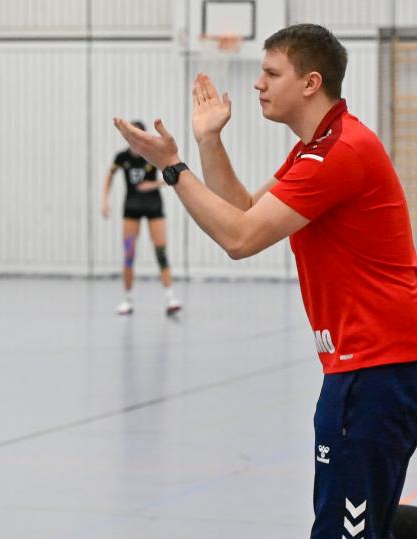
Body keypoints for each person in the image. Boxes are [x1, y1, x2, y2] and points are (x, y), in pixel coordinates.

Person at [114, 24, 417, 539]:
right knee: (374, 521)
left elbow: (240, 238)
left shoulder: (336, 153)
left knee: (345, 530)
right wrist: (209, 141)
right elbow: (246, 210)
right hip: (375, 362)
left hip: (374, 365)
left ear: (310, 83)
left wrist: (171, 167)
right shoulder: (317, 148)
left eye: (271, 73)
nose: (258, 84)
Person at [101, 120, 183, 315]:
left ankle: (170, 297)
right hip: (132, 209)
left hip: (154, 208)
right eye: (133, 136)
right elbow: (109, 175)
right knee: (129, 253)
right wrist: (105, 200)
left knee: (161, 252)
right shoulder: (121, 157)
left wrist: (153, 185)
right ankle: (127, 300)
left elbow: (173, 174)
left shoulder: (153, 155)